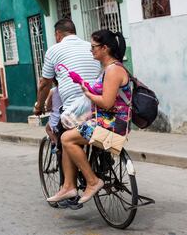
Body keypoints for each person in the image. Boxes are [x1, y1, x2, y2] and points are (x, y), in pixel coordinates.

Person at [47, 29, 132, 205]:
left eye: (94, 47)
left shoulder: (113, 70)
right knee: (69, 132)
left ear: (105, 48)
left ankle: (92, 182)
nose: (91, 50)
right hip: (107, 123)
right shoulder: (108, 69)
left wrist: (88, 93)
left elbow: (107, 103)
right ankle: (69, 186)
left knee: (67, 139)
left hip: (112, 129)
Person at [34, 18, 101, 116]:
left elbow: (45, 84)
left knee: (55, 128)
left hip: (72, 110)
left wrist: (39, 106)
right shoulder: (91, 48)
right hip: (97, 106)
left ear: (58, 34)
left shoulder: (53, 50)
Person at [44, 77, 61, 147]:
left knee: (47, 129)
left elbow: (47, 106)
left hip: (56, 119)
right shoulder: (66, 89)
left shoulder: (53, 91)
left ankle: (55, 143)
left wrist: (48, 108)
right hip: (67, 116)